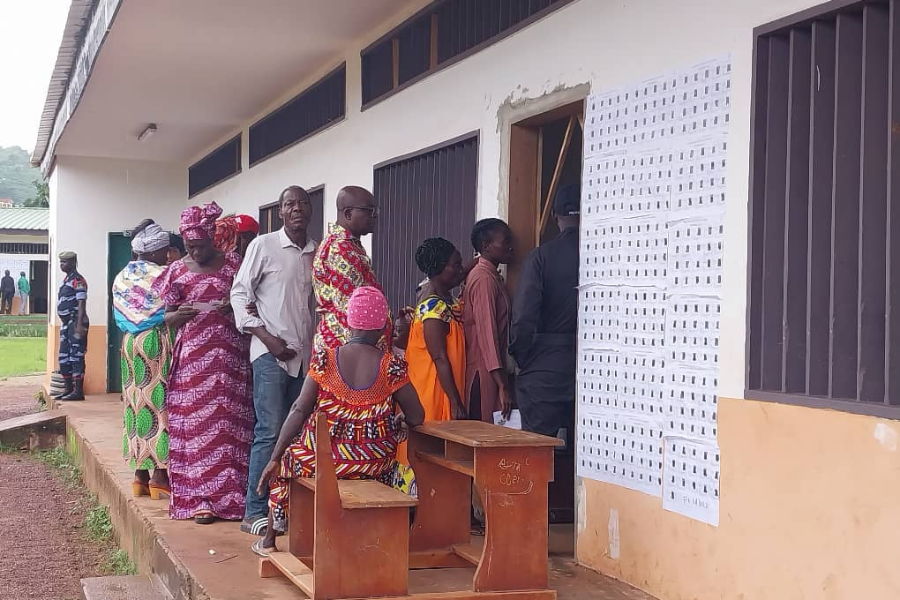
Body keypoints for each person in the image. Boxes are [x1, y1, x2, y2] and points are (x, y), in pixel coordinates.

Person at [251, 286, 424, 557]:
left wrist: (275, 457)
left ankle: (269, 540)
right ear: (382, 328)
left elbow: (299, 409)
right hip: (373, 463)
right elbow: (417, 416)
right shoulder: (392, 367)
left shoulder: (325, 360)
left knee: (288, 462)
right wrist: (399, 419)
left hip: (323, 463)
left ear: (348, 322)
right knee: (396, 466)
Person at [152, 202, 254, 524]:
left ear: (213, 240)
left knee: (230, 428)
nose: (195, 253)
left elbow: (250, 300)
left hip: (230, 361)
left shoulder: (235, 264)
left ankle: (235, 499)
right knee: (196, 429)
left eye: (200, 247)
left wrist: (233, 308)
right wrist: (176, 317)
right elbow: (164, 317)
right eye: (189, 247)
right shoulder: (176, 271)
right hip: (194, 361)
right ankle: (201, 500)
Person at [231, 186, 318, 536]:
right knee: (269, 430)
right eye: (288, 204)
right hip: (269, 355)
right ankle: (254, 511)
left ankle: (286, 508)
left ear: (310, 210)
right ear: (280, 212)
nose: (296, 209)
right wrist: (267, 338)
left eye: (302, 203)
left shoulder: (317, 252)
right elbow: (239, 294)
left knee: (297, 434)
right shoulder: (263, 246)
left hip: (305, 357)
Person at [510, 184, 580, 448]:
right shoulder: (602, 257)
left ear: (554, 216)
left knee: (538, 452)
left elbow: (524, 316)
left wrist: (521, 358)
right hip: (593, 368)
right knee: (585, 452)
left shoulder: (541, 258)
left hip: (545, 366)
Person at [112, 219, 173, 500]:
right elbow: (172, 306)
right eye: (164, 250)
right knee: (158, 402)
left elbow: (119, 314)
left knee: (134, 403)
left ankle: (139, 475)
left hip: (129, 344)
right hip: (155, 340)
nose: (167, 254)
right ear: (153, 252)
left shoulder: (122, 276)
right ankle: (160, 476)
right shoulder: (162, 274)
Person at [313, 186, 391, 351]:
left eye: (376, 210)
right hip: (344, 346)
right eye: (369, 210)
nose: (375, 215)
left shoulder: (349, 245)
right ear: (348, 213)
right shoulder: (340, 249)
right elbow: (354, 307)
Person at [406, 238, 467, 422]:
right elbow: (439, 357)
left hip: (446, 386)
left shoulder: (448, 301)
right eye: (456, 265)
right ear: (439, 269)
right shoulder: (433, 308)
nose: (461, 270)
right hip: (434, 391)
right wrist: (456, 403)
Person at [463, 219, 514, 422]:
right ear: (486, 246)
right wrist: (501, 384)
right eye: (505, 241)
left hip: (492, 369)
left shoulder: (492, 276)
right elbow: (488, 335)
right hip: (485, 372)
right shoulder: (483, 279)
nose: (511, 246)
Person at [54, 251, 89, 400]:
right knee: (64, 357)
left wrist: (80, 325)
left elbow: (82, 303)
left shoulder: (78, 280)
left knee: (76, 357)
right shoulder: (66, 280)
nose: (62, 265)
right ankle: (68, 389)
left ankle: (78, 392)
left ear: (73, 262)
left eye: (65, 262)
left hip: (76, 322)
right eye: (61, 262)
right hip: (66, 324)